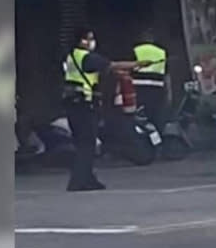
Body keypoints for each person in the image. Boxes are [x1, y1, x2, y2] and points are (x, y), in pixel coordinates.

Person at [62, 27, 151, 191]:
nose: (91, 42)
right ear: (81, 40)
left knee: (84, 143)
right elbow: (110, 65)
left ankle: (87, 178)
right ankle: (79, 181)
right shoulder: (86, 57)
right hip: (83, 105)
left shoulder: (72, 56)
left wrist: (123, 71)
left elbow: (106, 69)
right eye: (88, 38)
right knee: (87, 144)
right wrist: (136, 64)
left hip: (74, 104)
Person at [132, 28, 168, 132]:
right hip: (157, 89)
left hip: (139, 89)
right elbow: (166, 73)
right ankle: (157, 140)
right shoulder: (162, 52)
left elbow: (130, 68)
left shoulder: (136, 50)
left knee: (140, 117)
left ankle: (144, 139)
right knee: (155, 116)